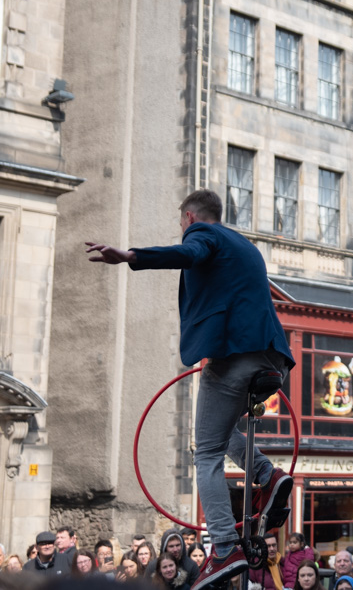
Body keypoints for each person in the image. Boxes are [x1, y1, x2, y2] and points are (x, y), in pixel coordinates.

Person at [86, 188, 295, 590]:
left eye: (182, 223)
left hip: (234, 354)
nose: (183, 229)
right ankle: (267, 476)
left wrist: (132, 256)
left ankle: (222, 546)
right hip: (271, 356)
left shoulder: (204, 235)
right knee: (223, 434)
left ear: (189, 217)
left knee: (206, 452)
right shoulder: (244, 245)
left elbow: (190, 254)